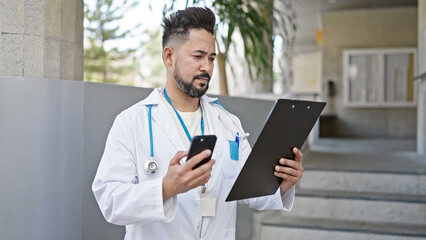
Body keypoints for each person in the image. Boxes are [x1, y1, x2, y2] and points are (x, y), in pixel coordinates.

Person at [92, 7, 304, 240]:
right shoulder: (131, 122)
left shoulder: (227, 122)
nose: (207, 67)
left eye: (211, 58)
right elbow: (110, 201)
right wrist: (164, 189)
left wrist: (282, 183)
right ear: (169, 56)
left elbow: (250, 191)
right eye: (198, 56)